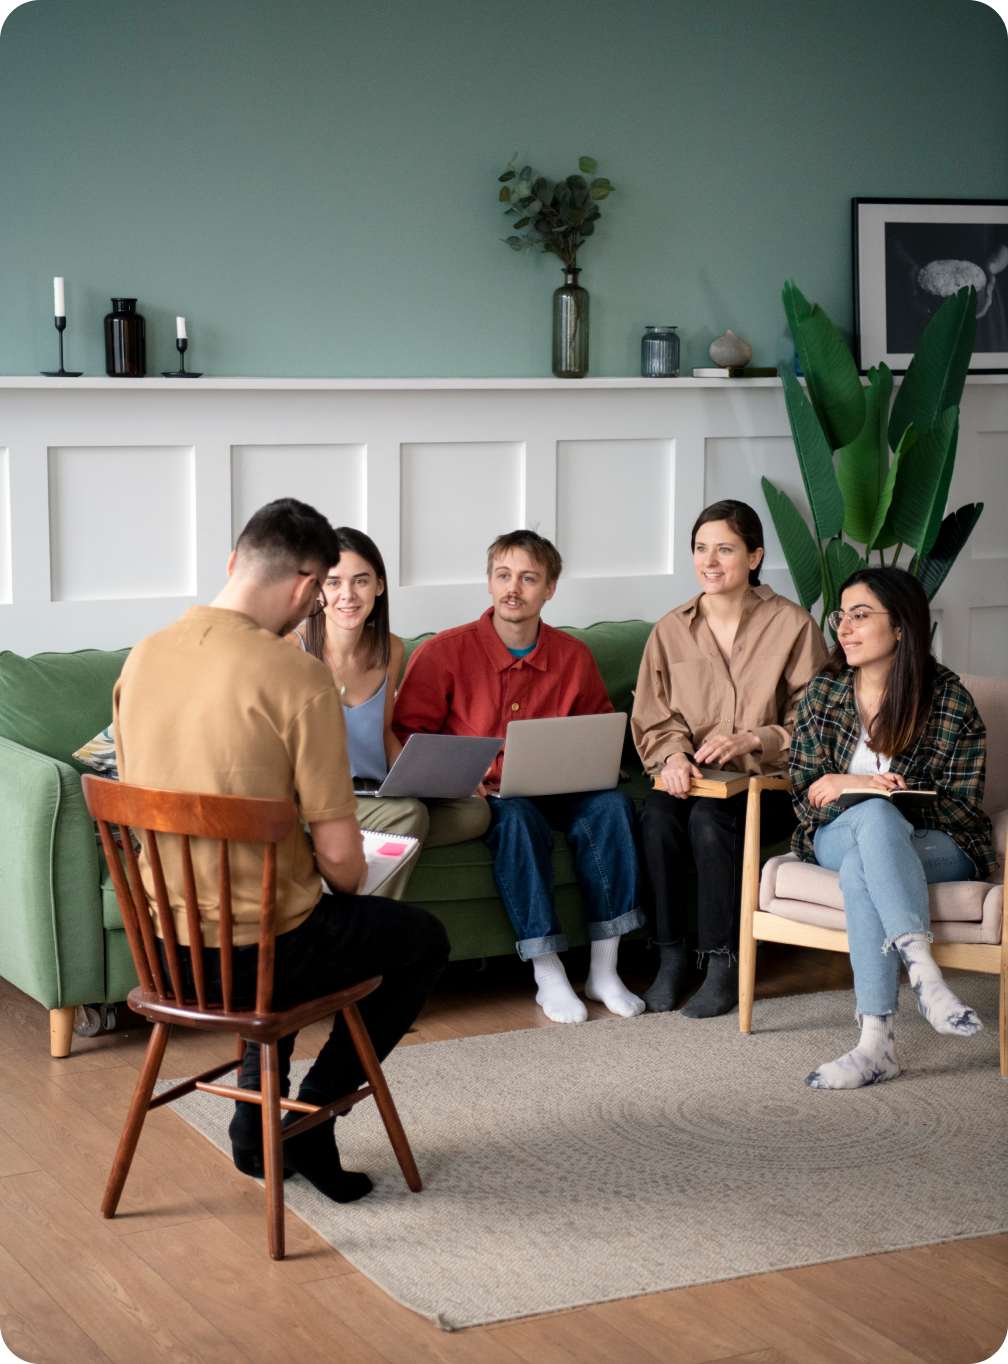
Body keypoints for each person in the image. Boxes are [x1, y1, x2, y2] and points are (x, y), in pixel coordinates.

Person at [112, 498, 450, 1200]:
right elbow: (344, 864)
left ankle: (253, 1115)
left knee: (288, 911)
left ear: (235, 562)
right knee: (416, 939)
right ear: (306, 588)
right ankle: (312, 1118)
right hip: (257, 960)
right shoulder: (298, 678)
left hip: (167, 953)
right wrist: (347, 873)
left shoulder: (141, 658)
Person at [392, 529, 647, 1024]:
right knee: (517, 819)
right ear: (489, 582)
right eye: (504, 576)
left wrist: (597, 762)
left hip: (564, 788)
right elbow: (407, 735)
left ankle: (604, 970)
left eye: (528, 578)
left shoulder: (573, 656)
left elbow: (599, 730)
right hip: (490, 796)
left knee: (614, 807)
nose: (514, 588)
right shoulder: (444, 653)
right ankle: (548, 973)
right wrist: (460, 779)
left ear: (549, 589)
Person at [789, 567, 995, 1089]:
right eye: (842, 616)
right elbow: (804, 799)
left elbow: (963, 808)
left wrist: (894, 795)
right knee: (871, 819)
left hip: (938, 843)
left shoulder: (948, 698)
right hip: (834, 835)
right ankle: (923, 974)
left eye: (861, 616)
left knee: (870, 851)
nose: (845, 628)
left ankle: (875, 1044)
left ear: (901, 627)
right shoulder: (824, 692)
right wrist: (850, 787)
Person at [632, 500, 829, 1018]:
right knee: (655, 818)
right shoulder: (669, 630)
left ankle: (724, 961)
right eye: (701, 548)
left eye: (725, 548)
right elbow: (655, 717)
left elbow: (817, 726)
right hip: (694, 780)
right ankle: (672, 958)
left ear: (755, 556)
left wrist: (753, 739)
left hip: (773, 785)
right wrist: (673, 756)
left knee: (709, 821)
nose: (710, 561)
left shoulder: (793, 625)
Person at [286, 526, 489, 897]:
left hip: (374, 793)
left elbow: (382, 735)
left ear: (379, 586)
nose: (347, 595)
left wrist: (437, 778)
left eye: (360, 581)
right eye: (334, 583)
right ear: (318, 590)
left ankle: (340, 855)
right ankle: (365, 925)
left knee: (474, 813)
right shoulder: (291, 649)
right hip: (314, 800)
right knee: (410, 815)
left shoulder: (390, 649)